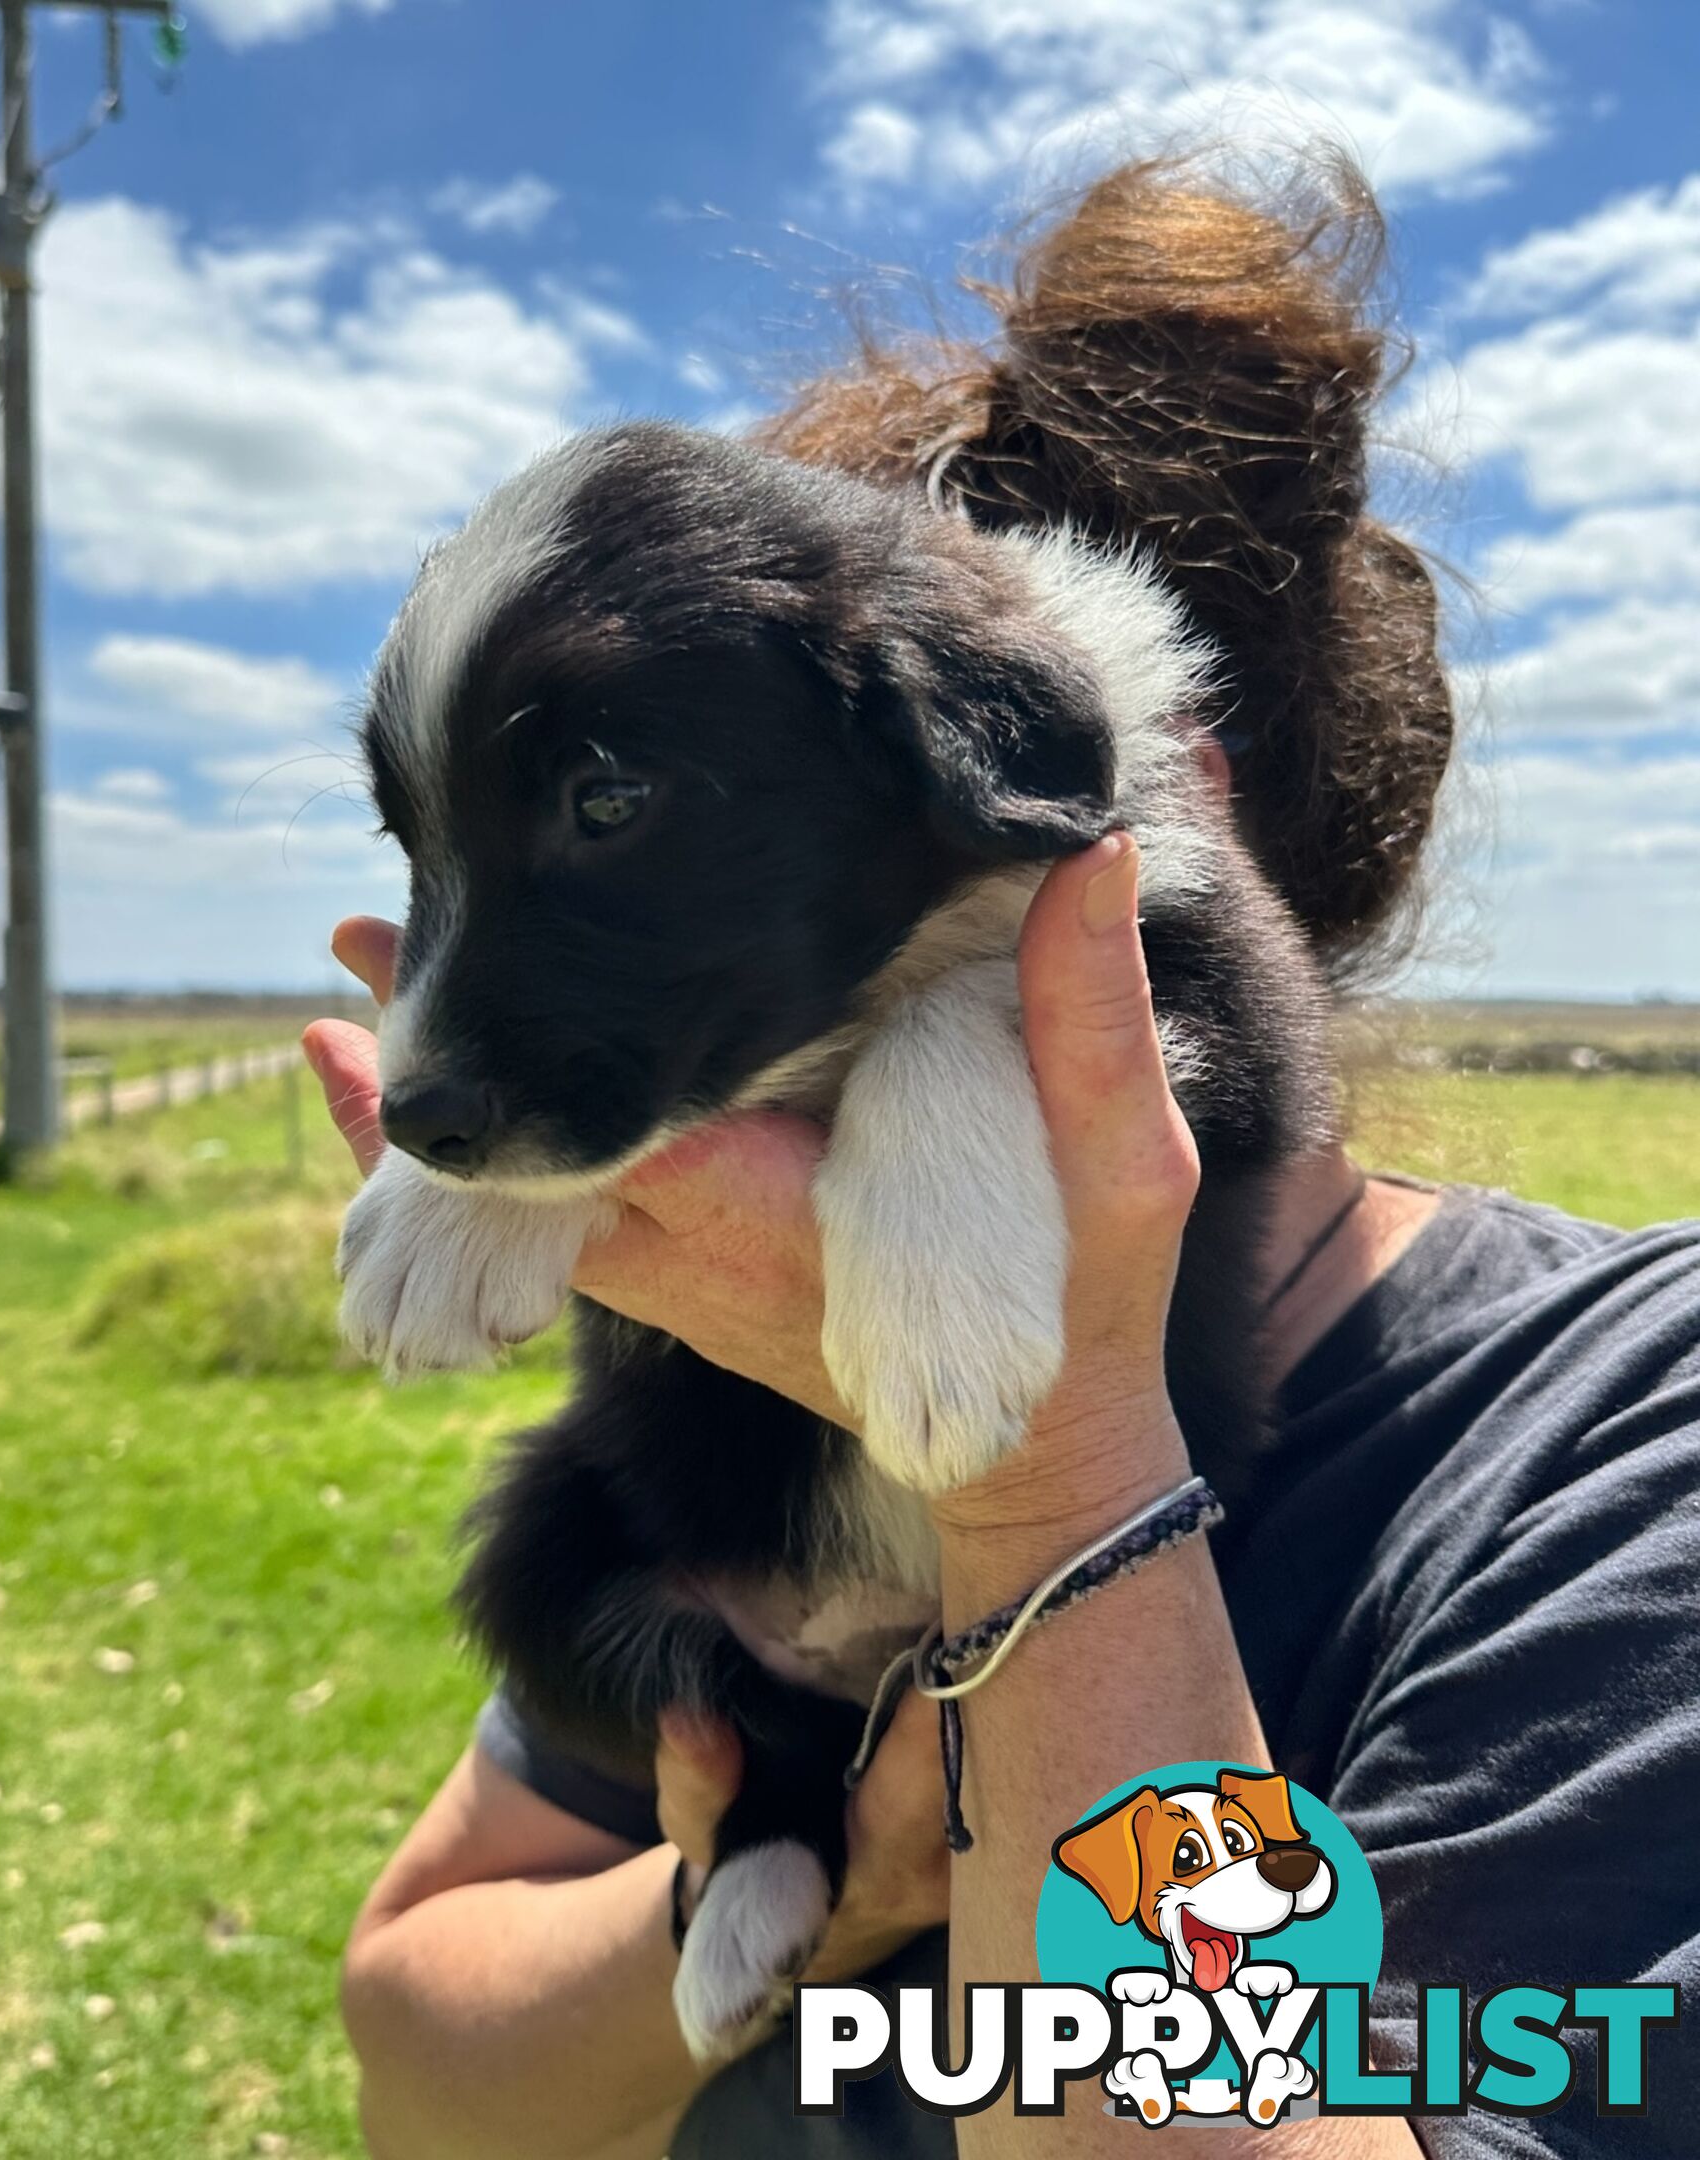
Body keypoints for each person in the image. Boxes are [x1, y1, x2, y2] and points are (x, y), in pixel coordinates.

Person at [302, 160, 1700, 2160]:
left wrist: (1050, 1501)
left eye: (613, 801)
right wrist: (823, 1886)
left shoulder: (1626, 1441)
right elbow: (427, 2081)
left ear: (1146, 786)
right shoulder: (753, 1322)